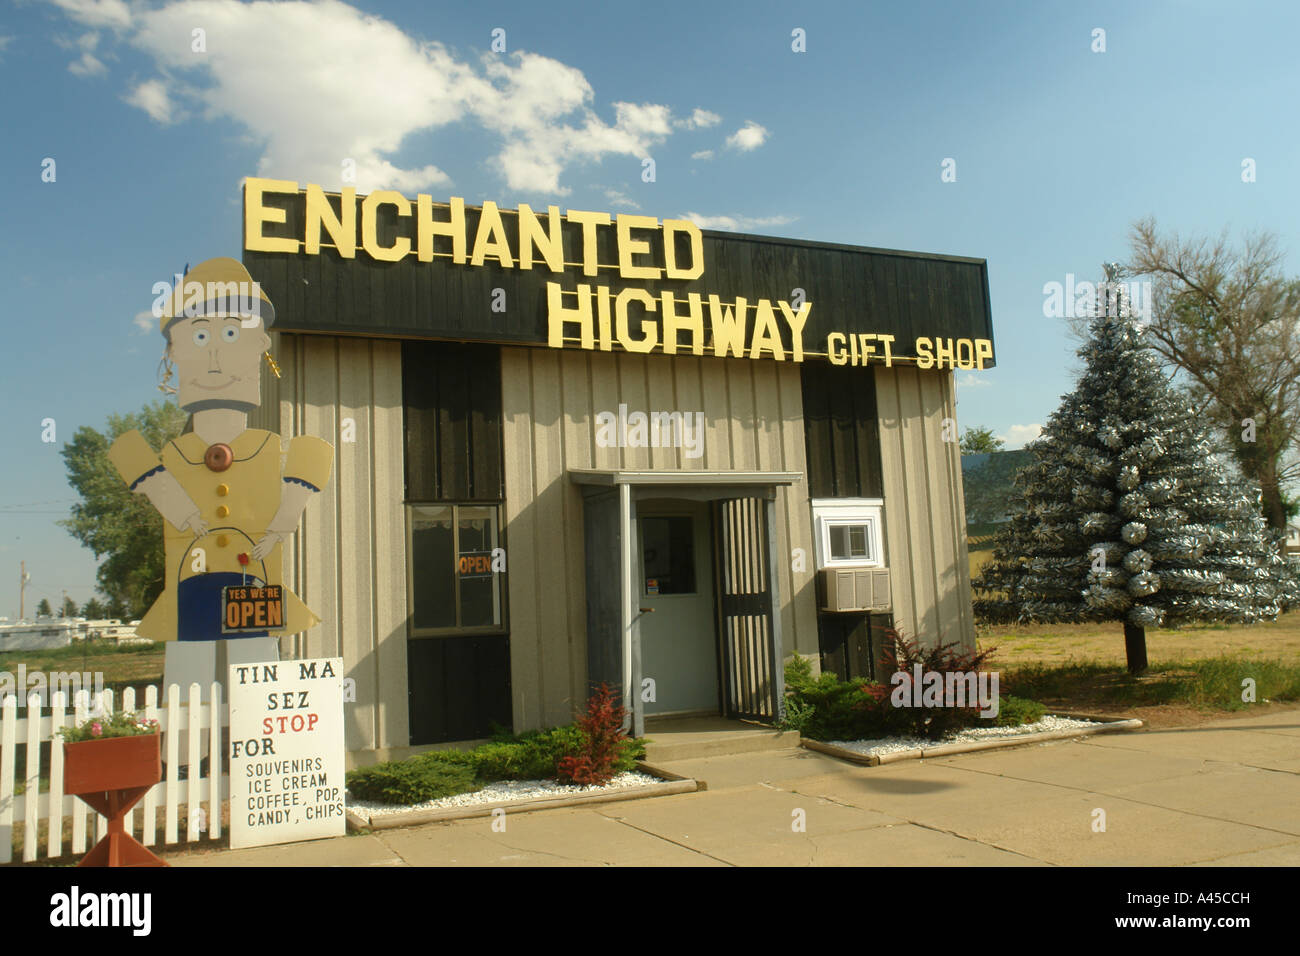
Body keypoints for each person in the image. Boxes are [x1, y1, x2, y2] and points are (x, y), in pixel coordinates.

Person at [108, 257, 332, 642]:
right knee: (189, 666)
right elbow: (137, 464)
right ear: (173, 352)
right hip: (188, 591)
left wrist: (280, 524)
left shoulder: (270, 447)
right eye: (198, 337)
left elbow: (313, 460)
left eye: (230, 334)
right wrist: (183, 512)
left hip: (256, 590)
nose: (213, 356)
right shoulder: (173, 454)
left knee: (253, 666)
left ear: (261, 343)